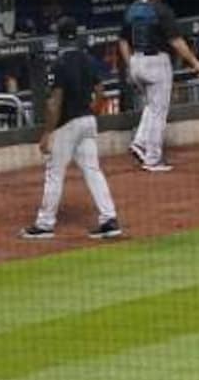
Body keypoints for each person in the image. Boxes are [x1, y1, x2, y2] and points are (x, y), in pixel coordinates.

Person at [19, 17, 122, 240]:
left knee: (54, 174)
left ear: (59, 37)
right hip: (87, 122)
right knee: (93, 171)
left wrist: (47, 132)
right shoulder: (88, 59)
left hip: (68, 125)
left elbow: (55, 101)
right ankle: (109, 219)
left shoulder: (60, 63)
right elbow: (101, 91)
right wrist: (91, 112)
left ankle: (45, 224)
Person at [118, 0, 199, 172]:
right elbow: (176, 41)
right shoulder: (162, 10)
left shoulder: (132, 9)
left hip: (137, 61)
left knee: (151, 106)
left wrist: (130, 64)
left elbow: (122, 41)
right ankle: (153, 158)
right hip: (157, 63)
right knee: (159, 111)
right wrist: (195, 62)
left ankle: (139, 143)